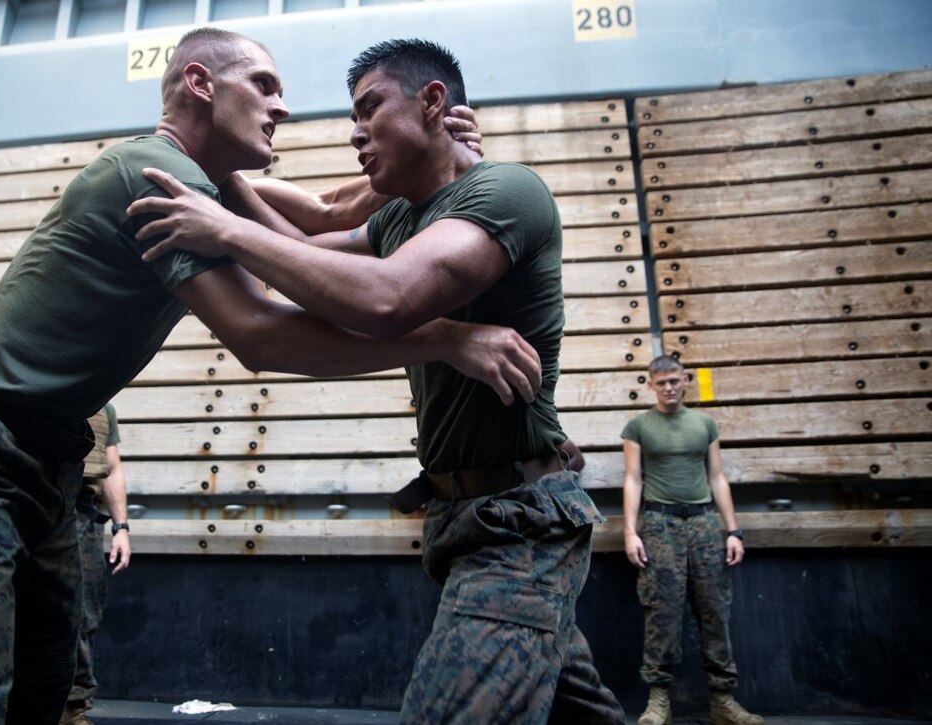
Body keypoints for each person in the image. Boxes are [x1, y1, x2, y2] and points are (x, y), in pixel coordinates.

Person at [0, 28, 544, 724]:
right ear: (203, 85)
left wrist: (434, 155)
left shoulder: (208, 189)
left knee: (48, 700)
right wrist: (447, 339)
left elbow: (313, 228)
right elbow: (260, 332)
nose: (283, 107)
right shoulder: (156, 175)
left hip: (39, 466)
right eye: (264, 86)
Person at [127, 37, 624, 725]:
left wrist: (226, 228)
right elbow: (302, 258)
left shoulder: (506, 191)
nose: (355, 132)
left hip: (520, 522)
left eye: (368, 110)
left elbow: (387, 299)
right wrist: (217, 174)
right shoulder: (397, 218)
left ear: (433, 102)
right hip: (464, 520)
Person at [621, 355, 764, 725]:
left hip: (703, 524)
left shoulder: (704, 424)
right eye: (661, 382)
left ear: (685, 380)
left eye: (674, 381)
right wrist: (630, 532)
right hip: (658, 523)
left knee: (714, 609)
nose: (669, 388)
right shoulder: (638, 426)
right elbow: (633, 479)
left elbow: (717, 477)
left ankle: (723, 700)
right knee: (663, 611)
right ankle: (658, 702)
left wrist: (732, 530)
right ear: (650, 384)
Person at [61, 403, 129, 725]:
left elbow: (112, 468)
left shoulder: (104, 407)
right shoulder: (36, 382)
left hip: (82, 516)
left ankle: (72, 710)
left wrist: (121, 528)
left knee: (84, 613)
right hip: (36, 509)